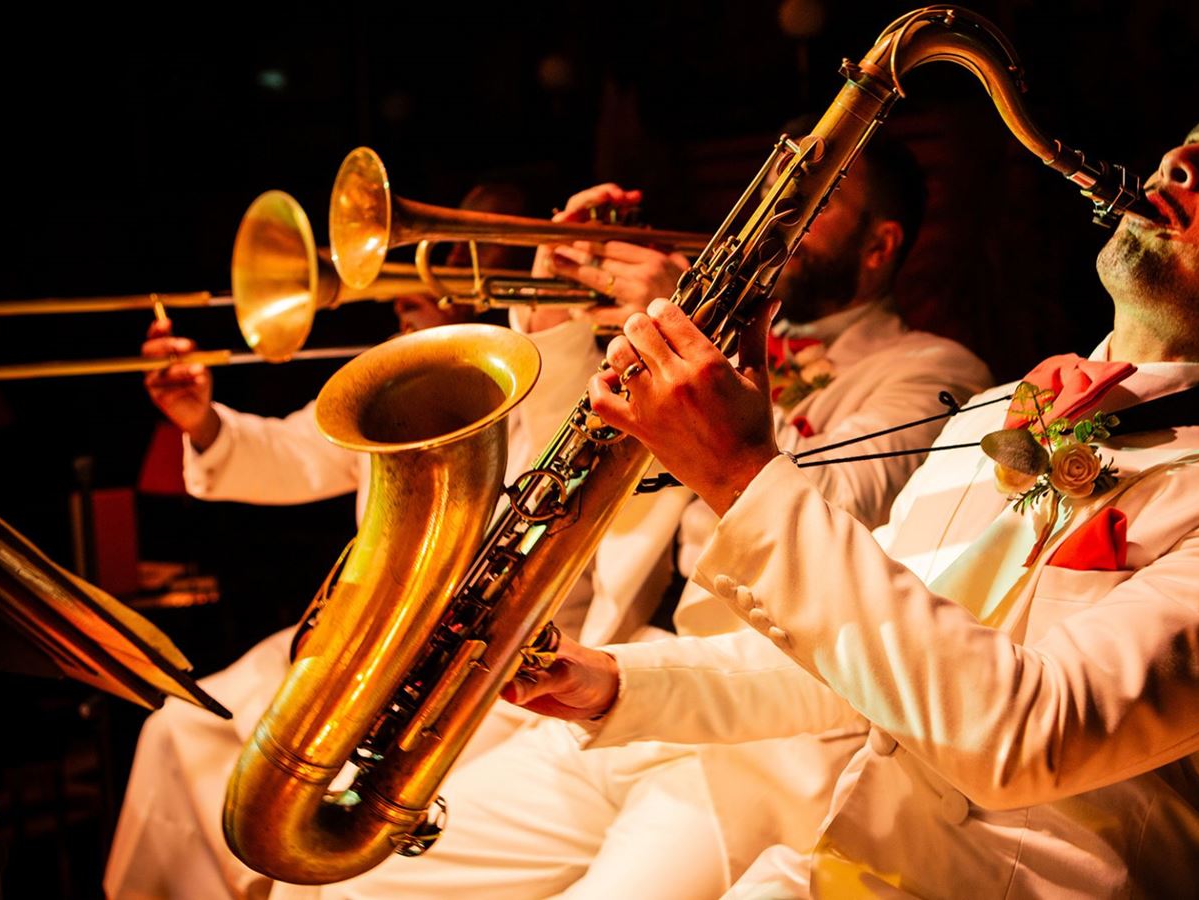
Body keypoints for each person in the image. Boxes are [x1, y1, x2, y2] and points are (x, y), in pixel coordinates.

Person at [505, 83, 1199, 898]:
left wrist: (742, 473)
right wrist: (613, 683)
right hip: (827, 860)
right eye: (1192, 143)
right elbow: (843, 665)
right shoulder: (998, 412)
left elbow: (1029, 734)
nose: (1179, 164)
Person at [114, 133, 993, 899]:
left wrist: (711, 339)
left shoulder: (925, 369)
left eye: (815, 202)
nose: (779, 223)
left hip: (763, 734)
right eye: (774, 198)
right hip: (626, 678)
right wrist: (554, 313)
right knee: (358, 882)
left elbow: (822, 524)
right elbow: (559, 479)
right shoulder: (703, 339)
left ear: (879, 249)